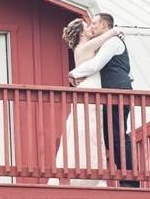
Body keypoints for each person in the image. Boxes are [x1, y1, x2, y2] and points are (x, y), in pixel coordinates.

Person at [47, 17, 122, 187]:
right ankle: (91, 177)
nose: (90, 28)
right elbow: (106, 37)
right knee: (91, 133)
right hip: (90, 91)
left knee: (86, 132)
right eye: (87, 26)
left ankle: (87, 173)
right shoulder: (86, 46)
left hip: (87, 90)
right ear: (81, 32)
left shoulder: (80, 48)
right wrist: (116, 31)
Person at [69, 13, 139, 188]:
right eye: (89, 25)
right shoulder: (103, 43)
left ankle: (129, 179)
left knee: (118, 135)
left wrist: (73, 73)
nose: (91, 27)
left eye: (94, 23)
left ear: (104, 25)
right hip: (109, 95)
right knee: (110, 137)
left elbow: (97, 64)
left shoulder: (113, 42)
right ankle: (122, 176)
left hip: (118, 93)